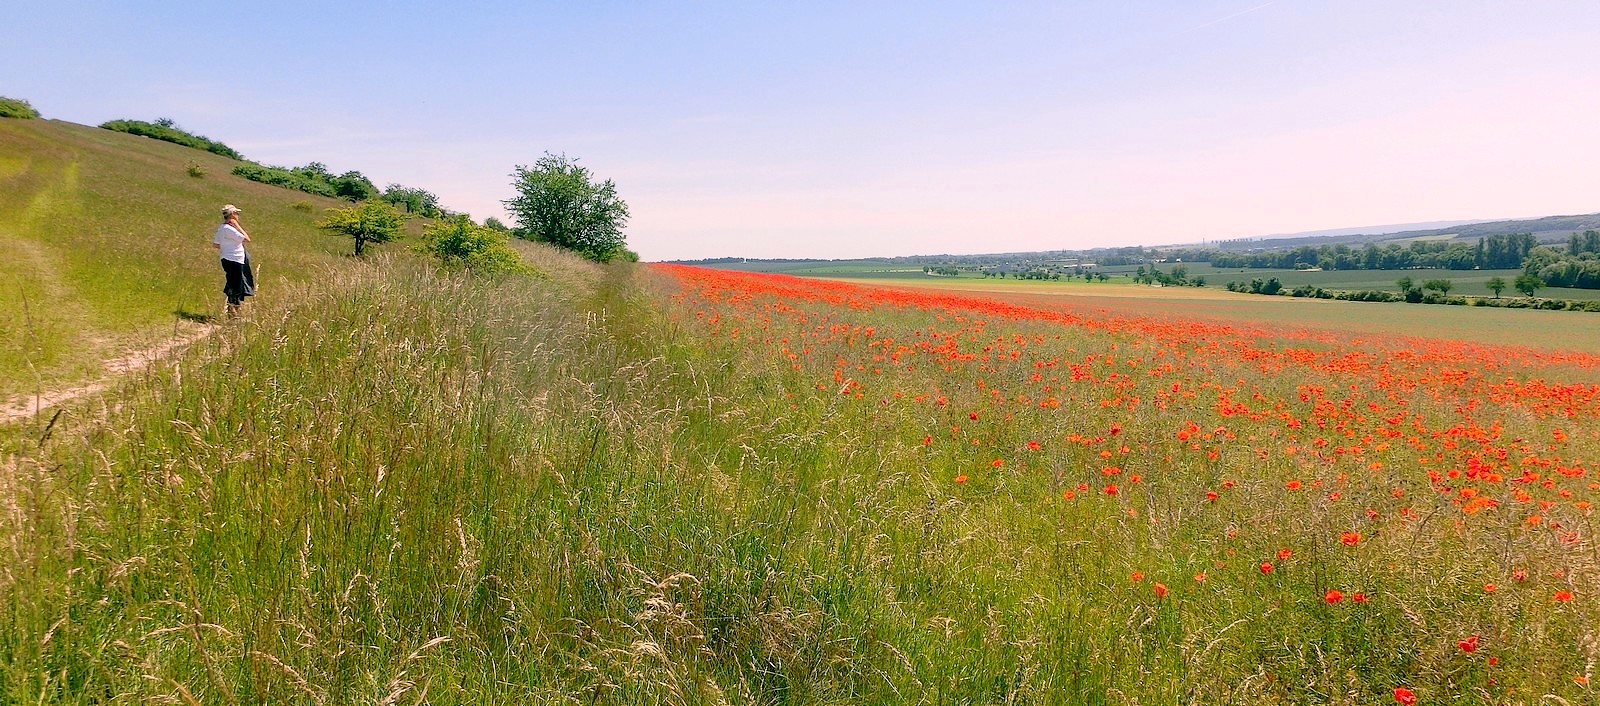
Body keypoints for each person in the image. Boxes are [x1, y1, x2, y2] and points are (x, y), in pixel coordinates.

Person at [213, 204, 254, 316]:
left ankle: (233, 311)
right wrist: (237, 225)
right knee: (236, 286)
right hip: (234, 259)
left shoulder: (221, 228)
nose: (238, 216)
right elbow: (247, 238)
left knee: (233, 283)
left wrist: (227, 247)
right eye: (236, 213)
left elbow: (216, 244)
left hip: (227, 258)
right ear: (232, 215)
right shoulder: (229, 229)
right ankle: (233, 314)